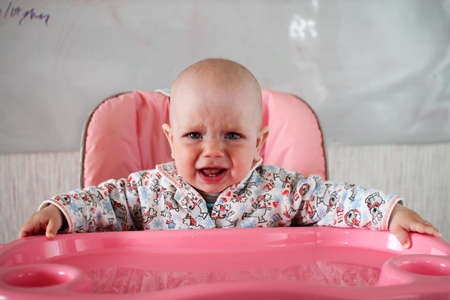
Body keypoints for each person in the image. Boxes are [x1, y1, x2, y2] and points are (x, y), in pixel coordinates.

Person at [19, 58, 441, 248]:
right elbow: (102, 202)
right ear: (169, 139)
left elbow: (336, 201)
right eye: (194, 135)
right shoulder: (146, 192)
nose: (212, 150)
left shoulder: (281, 190)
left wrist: (390, 213)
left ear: (260, 142)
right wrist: (60, 212)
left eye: (234, 136)